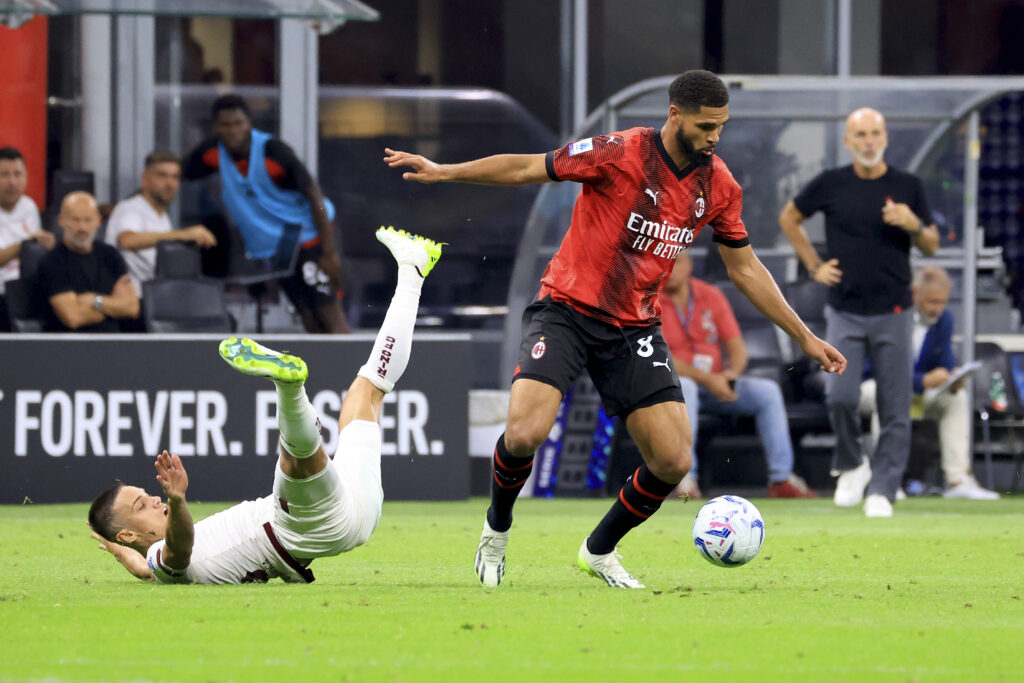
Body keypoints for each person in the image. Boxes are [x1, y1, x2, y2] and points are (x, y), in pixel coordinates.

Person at [386, 69, 845, 589]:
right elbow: (525, 169)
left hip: (634, 328)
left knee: (673, 460)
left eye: (722, 126)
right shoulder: (617, 152)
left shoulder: (719, 185)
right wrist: (446, 172)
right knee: (524, 434)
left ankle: (598, 550)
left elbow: (744, 268)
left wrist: (805, 337)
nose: (715, 137)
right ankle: (496, 529)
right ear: (675, 115)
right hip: (566, 310)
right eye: (705, 125)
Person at [87, 227, 442, 584]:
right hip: (303, 527)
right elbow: (179, 550)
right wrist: (177, 499)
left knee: (368, 389)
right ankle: (290, 389)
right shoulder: (165, 557)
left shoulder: (151, 566)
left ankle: (412, 271)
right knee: (294, 462)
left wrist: (120, 552)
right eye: (140, 505)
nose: (153, 499)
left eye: (146, 494)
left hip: (358, 511)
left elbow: (143, 569)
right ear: (130, 533)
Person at [779, 107, 940, 518]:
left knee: (894, 405)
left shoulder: (907, 185)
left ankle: (884, 488)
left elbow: (932, 246)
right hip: (844, 311)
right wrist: (814, 265)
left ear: (885, 138)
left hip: (895, 309)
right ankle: (851, 464)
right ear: (849, 141)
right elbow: (790, 217)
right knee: (841, 397)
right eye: (861, 135)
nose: (869, 141)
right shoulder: (832, 183)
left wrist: (912, 223)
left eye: (875, 134)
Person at [182, 94, 350, 334]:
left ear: (248, 123)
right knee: (306, 316)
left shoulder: (273, 151)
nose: (232, 131)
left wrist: (329, 251)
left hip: (310, 238)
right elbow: (176, 173)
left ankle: (357, 370)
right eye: (226, 125)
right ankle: (327, 370)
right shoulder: (212, 153)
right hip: (281, 247)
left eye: (238, 123)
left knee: (328, 313)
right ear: (216, 127)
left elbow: (315, 195)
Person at [660, 252, 817, 499]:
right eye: (665, 263)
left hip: (718, 383)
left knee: (767, 391)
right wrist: (709, 380)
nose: (670, 269)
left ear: (689, 265)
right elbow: (662, 357)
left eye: (677, 262)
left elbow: (737, 348)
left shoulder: (710, 295)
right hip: (673, 386)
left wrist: (731, 376)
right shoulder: (649, 300)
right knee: (686, 387)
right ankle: (685, 480)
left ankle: (781, 479)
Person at [859, 266, 999, 500]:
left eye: (942, 303)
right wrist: (921, 380)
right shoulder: (893, 315)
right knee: (885, 394)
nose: (937, 309)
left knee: (956, 399)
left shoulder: (944, 319)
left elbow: (944, 361)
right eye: (932, 302)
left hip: (917, 392)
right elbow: (878, 369)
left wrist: (952, 379)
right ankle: (886, 480)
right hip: (870, 386)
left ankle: (957, 480)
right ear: (914, 293)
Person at [105, 150, 217, 293]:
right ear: (145, 178)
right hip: (134, 299)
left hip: (160, 295)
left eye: (175, 177)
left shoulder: (162, 216)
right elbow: (126, 240)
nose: (169, 183)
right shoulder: (130, 208)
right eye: (162, 175)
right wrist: (183, 234)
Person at [36, 192, 140, 333]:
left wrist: (94, 300)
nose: (82, 228)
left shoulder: (111, 255)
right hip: (69, 346)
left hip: (113, 344)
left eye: (88, 220)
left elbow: (132, 308)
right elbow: (74, 318)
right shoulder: (52, 262)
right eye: (75, 220)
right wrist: (114, 307)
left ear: (98, 220)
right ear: (61, 221)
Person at [0, 146, 54, 330]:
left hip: (28, 293)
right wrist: (26, 244)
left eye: (17, 174)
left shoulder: (28, 206)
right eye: (4, 174)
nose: (12, 182)